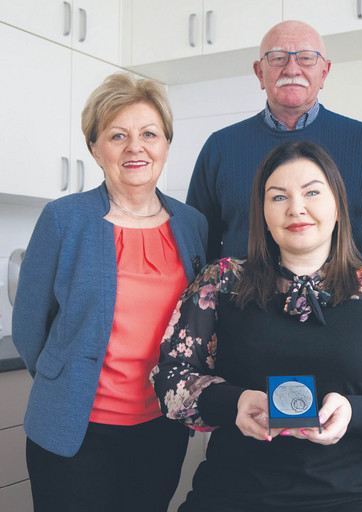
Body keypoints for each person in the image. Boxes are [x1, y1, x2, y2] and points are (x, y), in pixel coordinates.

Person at [152, 141, 362, 512]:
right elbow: (170, 378)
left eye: (312, 192)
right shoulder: (221, 282)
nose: (296, 208)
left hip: (356, 494)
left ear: (338, 206)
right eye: (278, 197)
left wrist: (354, 412)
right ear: (262, 212)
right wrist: (236, 402)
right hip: (235, 490)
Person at [12, 73, 208, 512]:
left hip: (160, 426)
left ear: (166, 145)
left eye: (149, 134)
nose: (135, 147)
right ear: (95, 149)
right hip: (74, 428)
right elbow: (28, 326)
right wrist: (67, 381)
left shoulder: (192, 224)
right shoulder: (64, 219)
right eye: (118, 135)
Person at [186, 20, 362, 263]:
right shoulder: (219, 148)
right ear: (259, 73)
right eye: (277, 58)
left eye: (306, 58)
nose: (292, 69)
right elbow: (198, 245)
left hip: (349, 297)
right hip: (244, 297)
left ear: (324, 72)